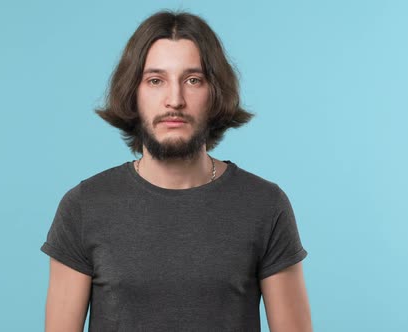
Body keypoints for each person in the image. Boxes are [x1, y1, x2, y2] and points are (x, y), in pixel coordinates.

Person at [40, 10, 312, 332]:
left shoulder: (264, 205)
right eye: (156, 81)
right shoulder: (84, 206)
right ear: (134, 94)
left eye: (192, 80)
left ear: (215, 94)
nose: (175, 100)